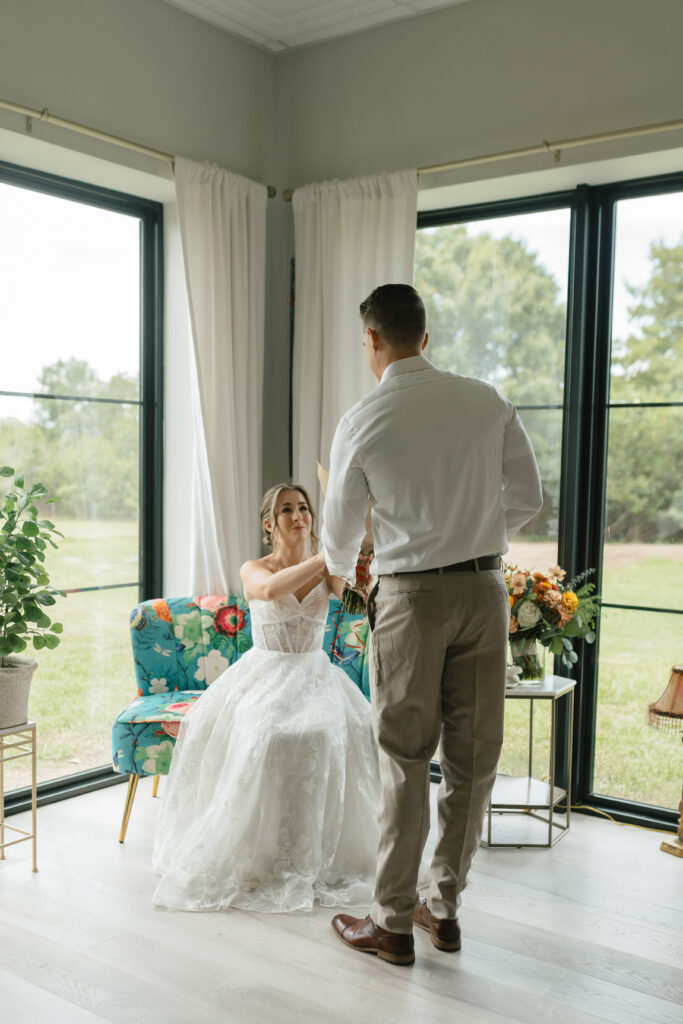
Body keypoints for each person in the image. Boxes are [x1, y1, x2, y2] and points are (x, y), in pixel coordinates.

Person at [322, 283, 543, 965]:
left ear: (372, 340)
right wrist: (471, 538)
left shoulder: (363, 416)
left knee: (404, 761)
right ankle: (441, 909)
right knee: (473, 762)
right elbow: (529, 499)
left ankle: (390, 922)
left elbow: (336, 529)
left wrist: (347, 570)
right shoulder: (485, 400)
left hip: (408, 599)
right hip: (483, 590)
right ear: (425, 335)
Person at [152, 484, 383, 913]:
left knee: (348, 727)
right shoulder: (253, 568)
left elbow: (354, 601)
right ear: (269, 523)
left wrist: (362, 569)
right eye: (287, 510)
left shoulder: (327, 571)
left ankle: (321, 853)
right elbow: (272, 591)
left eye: (304, 509)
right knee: (268, 734)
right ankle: (263, 853)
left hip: (315, 674)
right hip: (265, 674)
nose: (299, 516)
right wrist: (327, 554)